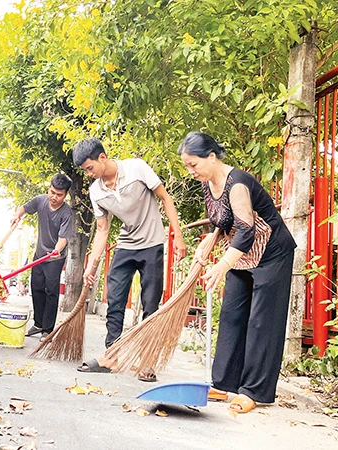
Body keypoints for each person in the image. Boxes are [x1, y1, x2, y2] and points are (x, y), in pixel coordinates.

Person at [179, 131, 296, 413]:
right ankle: (224, 382)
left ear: (211, 156)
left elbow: (246, 228)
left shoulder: (238, 183)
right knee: (232, 314)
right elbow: (223, 219)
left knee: (261, 322)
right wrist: (210, 240)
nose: (190, 171)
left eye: (193, 164)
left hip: (271, 253)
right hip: (243, 256)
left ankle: (254, 391)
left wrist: (222, 264)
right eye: (186, 166)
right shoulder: (209, 183)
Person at [73, 137, 187, 382]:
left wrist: (177, 235)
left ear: (102, 157)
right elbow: (103, 231)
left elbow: (166, 198)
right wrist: (91, 266)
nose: (89, 174)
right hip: (126, 246)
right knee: (115, 301)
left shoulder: (136, 168)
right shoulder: (96, 192)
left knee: (150, 304)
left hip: (152, 243)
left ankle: (147, 361)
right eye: (85, 171)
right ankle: (112, 356)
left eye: (90, 168)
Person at [11, 174, 75, 342]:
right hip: (39, 254)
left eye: (59, 194)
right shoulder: (41, 200)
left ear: (65, 195)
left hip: (54, 257)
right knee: (36, 288)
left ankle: (48, 329)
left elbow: (63, 239)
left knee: (51, 291)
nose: (54, 197)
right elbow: (24, 208)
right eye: (52, 192)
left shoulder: (66, 213)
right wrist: (18, 215)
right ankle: (38, 324)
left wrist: (56, 251)